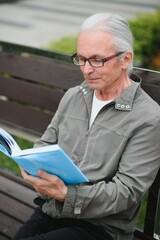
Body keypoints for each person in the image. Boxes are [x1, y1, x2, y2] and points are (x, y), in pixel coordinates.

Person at [13, 12, 160, 240]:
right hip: (54, 208)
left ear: (126, 59)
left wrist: (67, 194)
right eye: (80, 58)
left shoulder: (148, 118)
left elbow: (126, 192)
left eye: (97, 59)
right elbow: (45, 142)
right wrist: (32, 166)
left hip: (101, 227)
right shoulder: (74, 95)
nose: (86, 69)